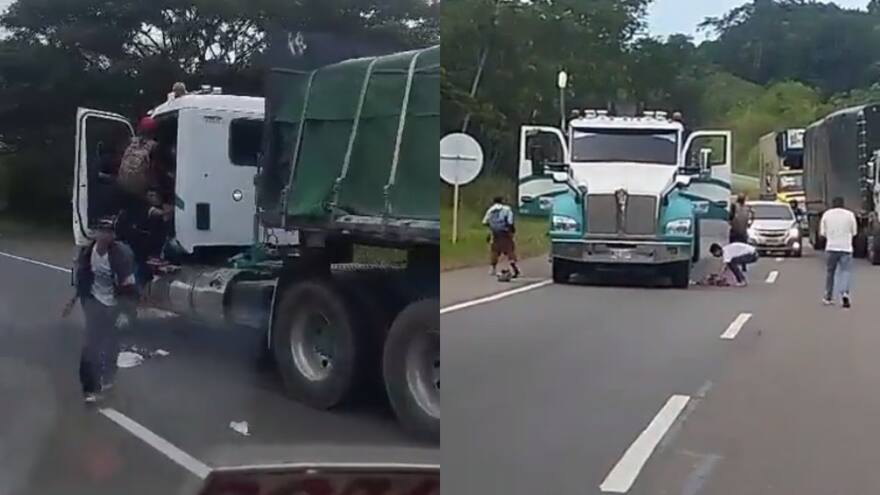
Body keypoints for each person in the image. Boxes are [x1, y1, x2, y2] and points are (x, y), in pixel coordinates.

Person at [72, 217, 138, 403]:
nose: (104, 235)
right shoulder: (87, 253)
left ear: (113, 236)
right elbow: (81, 277)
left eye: (108, 232)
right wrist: (81, 297)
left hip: (114, 303)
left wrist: (126, 312)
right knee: (91, 345)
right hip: (94, 301)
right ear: (95, 233)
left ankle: (108, 376)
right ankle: (90, 389)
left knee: (111, 343)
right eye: (101, 231)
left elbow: (129, 286)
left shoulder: (121, 255)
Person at [820, 196, 858, 308]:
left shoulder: (827, 215)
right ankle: (844, 293)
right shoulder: (850, 215)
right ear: (843, 204)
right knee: (845, 271)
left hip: (831, 247)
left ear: (832, 204)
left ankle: (828, 296)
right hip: (846, 247)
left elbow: (823, 233)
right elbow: (854, 232)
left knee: (830, 273)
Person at [117, 116, 160, 201]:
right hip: (140, 192)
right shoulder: (154, 146)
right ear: (153, 132)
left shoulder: (131, 142)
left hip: (122, 186)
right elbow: (155, 170)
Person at [483, 196, 520, 278]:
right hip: (505, 233)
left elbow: (485, 222)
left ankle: (493, 268)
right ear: (502, 201)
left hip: (495, 233)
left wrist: (491, 230)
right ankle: (513, 266)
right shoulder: (507, 209)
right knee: (509, 250)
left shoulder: (490, 210)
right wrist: (512, 231)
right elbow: (510, 222)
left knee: (495, 251)